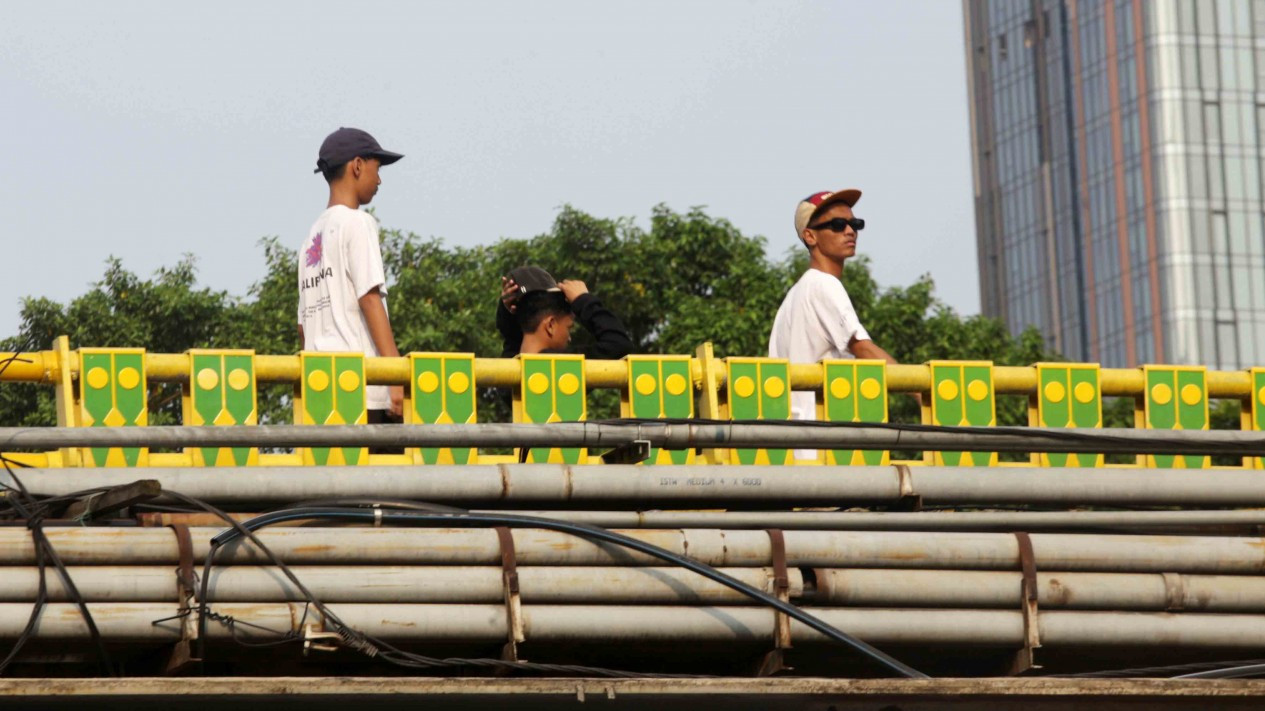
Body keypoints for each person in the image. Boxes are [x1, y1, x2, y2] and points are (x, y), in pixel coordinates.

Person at [768, 189, 905, 460]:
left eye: (855, 224)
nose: (850, 231)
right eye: (837, 225)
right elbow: (863, 349)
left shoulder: (794, 295)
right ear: (810, 236)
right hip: (821, 451)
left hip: (795, 451)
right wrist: (925, 393)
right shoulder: (823, 284)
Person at [297, 127, 405, 425]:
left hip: (321, 392)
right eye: (377, 168)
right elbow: (370, 299)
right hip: (364, 392)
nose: (380, 179)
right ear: (357, 165)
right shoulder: (357, 222)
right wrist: (395, 375)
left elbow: (303, 327)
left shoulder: (309, 240)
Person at [497, 266, 633, 358]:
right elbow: (619, 344)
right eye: (569, 328)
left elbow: (513, 343)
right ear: (550, 325)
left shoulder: (507, 378)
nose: (569, 338)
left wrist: (509, 315)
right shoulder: (561, 369)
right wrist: (584, 301)